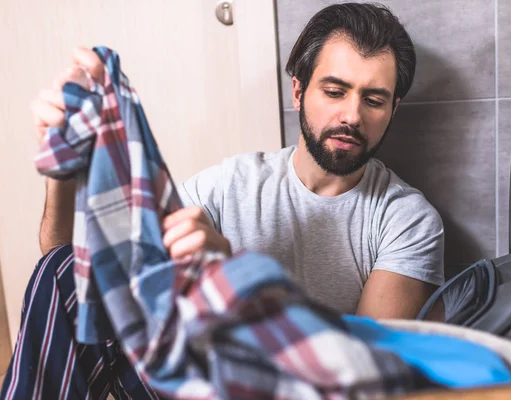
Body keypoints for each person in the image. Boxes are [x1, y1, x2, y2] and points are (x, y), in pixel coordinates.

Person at [3, 3, 445, 398]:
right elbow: (69, 267)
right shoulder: (231, 183)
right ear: (298, 91)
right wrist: (62, 169)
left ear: (392, 109)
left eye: (373, 100)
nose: (351, 115)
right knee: (64, 269)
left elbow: (363, 372)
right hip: (187, 378)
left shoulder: (408, 220)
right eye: (334, 91)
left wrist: (228, 276)